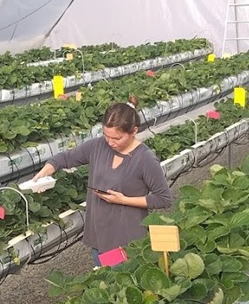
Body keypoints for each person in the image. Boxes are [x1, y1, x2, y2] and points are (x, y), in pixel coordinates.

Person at [32, 95, 173, 266]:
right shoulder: (98, 146)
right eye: (107, 136)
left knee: (118, 280)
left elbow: (163, 198)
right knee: (103, 279)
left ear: (134, 131)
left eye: (117, 138)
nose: (110, 142)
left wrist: (124, 200)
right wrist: (45, 173)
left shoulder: (145, 159)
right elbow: (64, 159)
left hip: (125, 240)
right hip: (99, 238)